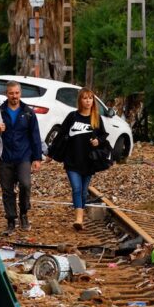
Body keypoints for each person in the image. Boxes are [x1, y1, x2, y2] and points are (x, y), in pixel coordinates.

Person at [0, 81, 43, 235]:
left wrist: (37, 158)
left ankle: (23, 213)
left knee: (25, 185)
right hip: (5, 156)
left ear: (20, 93)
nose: (14, 96)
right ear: (6, 94)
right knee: (7, 190)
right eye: (11, 93)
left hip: (23, 156)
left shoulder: (28, 112)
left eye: (17, 93)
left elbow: (35, 136)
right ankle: (10, 220)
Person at [47, 88, 109, 231]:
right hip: (72, 159)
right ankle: (79, 219)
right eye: (85, 98)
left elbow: (103, 136)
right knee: (76, 188)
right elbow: (60, 135)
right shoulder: (72, 116)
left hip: (89, 161)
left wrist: (98, 141)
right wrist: (51, 154)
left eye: (90, 98)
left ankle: (80, 214)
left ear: (93, 101)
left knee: (83, 191)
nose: (88, 101)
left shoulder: (96, 118)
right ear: (80, 100)